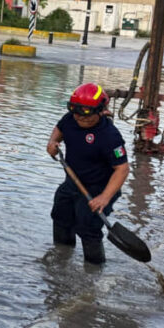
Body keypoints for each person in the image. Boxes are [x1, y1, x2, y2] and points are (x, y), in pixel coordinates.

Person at [46, 83, 129, 264]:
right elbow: (59, 129)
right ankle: (61, 259)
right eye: (75, 112)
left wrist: (104, 198)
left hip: (101, 187)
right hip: (73, 182)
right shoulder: (70, 119)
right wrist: (52, 143)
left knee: (87, 226)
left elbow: (122, 169)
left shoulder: (110, 136)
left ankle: (94, 272)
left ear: (100, 111)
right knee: (60, 216)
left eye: (86, 113)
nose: (79, 118)